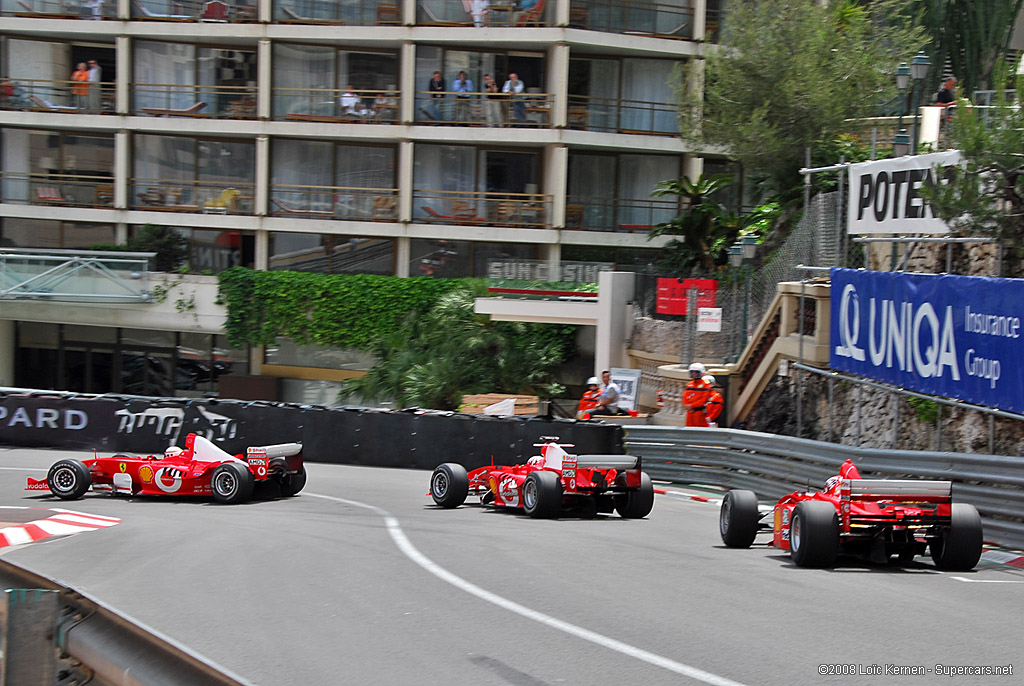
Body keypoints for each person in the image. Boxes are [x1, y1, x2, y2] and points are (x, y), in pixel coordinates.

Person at [681, 362, 711, 427]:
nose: (693, 374)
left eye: (695, 372)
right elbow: (685, 396)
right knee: (689, 430)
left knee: (699, 431)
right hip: (690, 413)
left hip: (699, 413)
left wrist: (692, 405)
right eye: (692, 372)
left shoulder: (706, 385)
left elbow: (703, 400)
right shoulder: (690, 384)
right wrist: (687, 406)